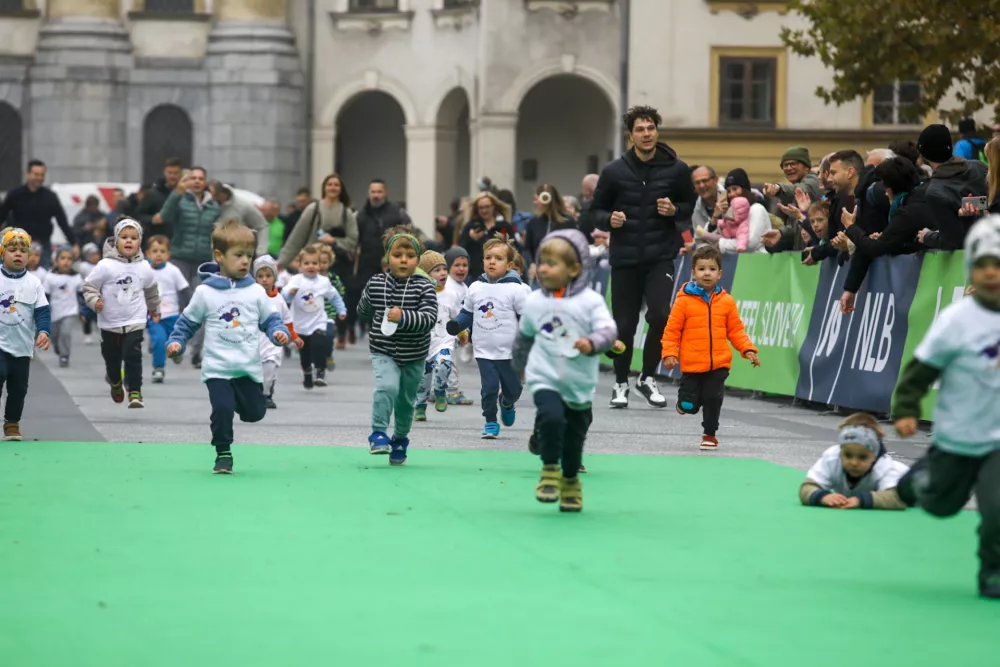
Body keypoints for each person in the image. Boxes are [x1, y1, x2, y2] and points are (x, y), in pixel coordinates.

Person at [891, 215, 1000, 599]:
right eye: (983, 265)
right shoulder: (957, 320)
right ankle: (919, 479)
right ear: (970, 268)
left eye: (999, 265)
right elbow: (921, 370)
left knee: (997, 508)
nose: (992, 274)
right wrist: (906, 408)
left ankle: (993, 571)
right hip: (958, 433)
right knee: (941, 504)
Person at [591, 105, 696, 409]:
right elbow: (594, 212)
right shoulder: (614, 171)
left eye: (651, 128)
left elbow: (689, 205)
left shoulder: (677, 169)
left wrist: (674, 210)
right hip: (625, 258)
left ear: (657, 131)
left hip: (660, 255)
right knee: (624, 325)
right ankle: (621, 382)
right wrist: (609, 220)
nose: (647, 134)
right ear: (630, 135)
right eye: (640, 129)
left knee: (661, 315)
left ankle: (647, 377)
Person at [167, 221, 290, 475]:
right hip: (217, 368)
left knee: (255, 413)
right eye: (239, 255)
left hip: (247, 368)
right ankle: (223, 452)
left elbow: (271, 320)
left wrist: (278, 333)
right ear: (219, 256)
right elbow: (188, 322)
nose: (245, 261)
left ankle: (238, 401)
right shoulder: (205, 292)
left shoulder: (256, 291)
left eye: (249, 255)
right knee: (221, 409)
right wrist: (177, 342)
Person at [513, 229, 617, 512]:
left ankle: (570, 481)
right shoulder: (535, 301)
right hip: (544, 375)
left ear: (574, 269)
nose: (543, 269)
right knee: (550, 417)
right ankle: (549, 469)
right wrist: (520, 367)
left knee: (573, 438)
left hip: (578, 381)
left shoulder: (590, 302)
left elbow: (608, 330)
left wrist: (592, 342)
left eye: (552, 263)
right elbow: (524, 337)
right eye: (541, 262)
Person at [661, 245, 759, 450]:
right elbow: (672, 331)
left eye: (712, 269)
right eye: (702, 269)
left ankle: (710, 434)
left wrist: (748, 349)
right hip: (692, 363)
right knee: (689, 405)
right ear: (693, 272)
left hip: (719, 363)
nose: (707, 273)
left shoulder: (727, 302)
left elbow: (736, 330)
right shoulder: (683, 301)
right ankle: (684, 403)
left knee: (713, 398)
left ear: (720, 274)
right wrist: (669, 353)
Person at [357, 227, 439, 466]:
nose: (403, 260)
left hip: (414, 354)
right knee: (387, 386)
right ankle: (378, 433)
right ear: (387, 257)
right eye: (397, 255)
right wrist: (369, 305)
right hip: (383, 349)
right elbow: (363, 311)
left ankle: (401, 438)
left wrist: (403, 317)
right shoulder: (376, 283)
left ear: (418, 259)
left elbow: (429, 319)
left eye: (410, 256)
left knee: (405, 401)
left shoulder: (425, 286)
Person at [446, 238, 527, 439]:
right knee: (489, 388)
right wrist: (457, 324)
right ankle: (490, 420)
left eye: (498, 258)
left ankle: (507, 402)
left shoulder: (517, 290)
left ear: (509, 265)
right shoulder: (475, 287)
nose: (492, 262)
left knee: (514, 389)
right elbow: (467, 313)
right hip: (484, 350)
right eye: (488, 257)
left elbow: (526, 319)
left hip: (510, 352)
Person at [839, 157, 935, 314]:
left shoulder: (907, 212)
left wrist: (850, 227)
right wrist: (887, 239)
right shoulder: (919, 198)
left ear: (889, 189)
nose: (884, 192)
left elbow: (875, 248)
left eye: (884, 186)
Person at [82, 219, 161, 409]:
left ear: (139, 242)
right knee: (112, 360)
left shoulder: (144, 267)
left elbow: (151, 290)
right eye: (124, 237)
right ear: (116, 240)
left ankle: (135, 391)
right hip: (109, 322)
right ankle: (116, 382)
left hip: (135, 319)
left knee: (133, 355)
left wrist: (154, 309)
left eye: (134, 238)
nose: (129, 241)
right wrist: (95, 301)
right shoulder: (105, 265)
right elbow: (89, 287)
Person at [279, 174, 359, 348]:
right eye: (329, 184)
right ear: (324, 187)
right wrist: (282, 262)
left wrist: (334, 241)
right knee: (310, 298)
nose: (333, 187)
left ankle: (339, 333)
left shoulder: (346, 213)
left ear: (341, 189)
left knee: (338, 296)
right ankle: (309, 334)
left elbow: (353, 240)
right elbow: (297, 237)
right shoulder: (313, 209)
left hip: (338, 263)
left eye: (336, 185)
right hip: (312, 263)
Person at [158, 167, 221, 369]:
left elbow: (218, 232)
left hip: (202, 260)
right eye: (193, 178)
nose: (196, 181)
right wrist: (176, 193)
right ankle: (175, 343)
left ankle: (196, 351)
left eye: (200, 178)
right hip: (180, 258)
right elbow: (164, 216)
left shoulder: (213, 206)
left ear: (205, 182)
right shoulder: (180, 200)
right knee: (178, 303)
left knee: (202, 304)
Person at [0, 228, 51, 441]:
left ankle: (12, 423)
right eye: (12, 250)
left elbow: (42, 311)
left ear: (29, 256)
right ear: (2, 253)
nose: (18, 254)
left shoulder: (34, 282)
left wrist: (44, 331)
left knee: (19, 389)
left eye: (23, 251)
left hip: (21, 347)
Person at [799, 413, 909, 510]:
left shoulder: (885, 466)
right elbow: (807, 487)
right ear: (841, 450)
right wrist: (822, 497)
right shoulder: (832, 458)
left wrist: (861, 500)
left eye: (862, 457)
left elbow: (898, 498)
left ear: (874, 456)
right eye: (848, 455)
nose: (854, 463)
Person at [914, 123, 988, 250]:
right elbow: (989, 202)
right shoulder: (979, 167)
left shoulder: (935, 192)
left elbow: (952, 241)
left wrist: (928, 236)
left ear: (923, 154)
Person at [281, 245, 346, 389]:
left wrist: (341, 310)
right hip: (300, 325)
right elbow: (283, 296)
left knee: (319, 344)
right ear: (300, 265)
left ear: (319, 265)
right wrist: (290, 294)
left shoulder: (323, 281)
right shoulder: (296, 280)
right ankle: (307, 373)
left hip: (318, 321)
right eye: (307, 263)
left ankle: (320, 371)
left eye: (315, 263)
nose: (311, 266)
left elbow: (334, 296)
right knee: (304, 353)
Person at [0, 160, 76, 268]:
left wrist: (74, 243)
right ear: (28, 174)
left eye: (42, 175)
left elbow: (62, 221)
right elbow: (2, 216)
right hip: (19, 245)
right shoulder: (15, 195)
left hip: (43, 244)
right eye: (36, 174)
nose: (39, 178)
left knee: (43, 274)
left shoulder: (50, 196)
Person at [413, 251, 460, 422]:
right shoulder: (419, 293)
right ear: (426, 274)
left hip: (444, 340)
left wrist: (462, 332)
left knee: (444, 364)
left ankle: (440, 390)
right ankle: (420, 406)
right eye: (437, 270)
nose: (443, 273)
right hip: (424, 343)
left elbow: (457, 316)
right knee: (423, 380)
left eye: (444, 269)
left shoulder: (451, 294)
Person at [252, 255, 301, 409]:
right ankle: (254, 396)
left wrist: (294, 337)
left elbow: (287, 320)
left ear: (275, 277)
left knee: (269, 372)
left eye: (268, 276)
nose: (264, 280)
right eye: (260, 276)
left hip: (273, 345)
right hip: (253, 344)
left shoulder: (279, 299)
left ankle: (267, 395)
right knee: (253, 375)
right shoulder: (250, 297)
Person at [145, 235, 190, 383]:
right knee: (159, 339)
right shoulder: (145, 271)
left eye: (162, 251)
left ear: (168, 255)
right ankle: (158, 368)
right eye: (155, 251)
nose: (158, 254)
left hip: (172, 315)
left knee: (176, 341)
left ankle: (177, 353)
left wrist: (189, 308)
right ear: (148, 254)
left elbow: (184, 290)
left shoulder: (173, 271)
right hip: (154, 316)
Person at [523, 184, 588, 283]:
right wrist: (532, 264)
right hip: (539, 276)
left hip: (562, 276)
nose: (534, 202)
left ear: (546, 199)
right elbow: (527, 248)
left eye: (536, 199)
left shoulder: (568, 222)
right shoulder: (533, 222)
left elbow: (575, 248)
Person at [457, 192, 516, 282]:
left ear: (493, 206)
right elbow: (461, 249)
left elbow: (514, 249)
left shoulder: (504, 226)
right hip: (476, 275)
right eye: (481, 208)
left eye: (487, 207)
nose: (484, 210)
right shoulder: (471, 226)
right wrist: (471, 239)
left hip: (500, 275)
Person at [443, 245, 474, 405]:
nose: (461, 269)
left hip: (453, 332)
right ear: (448, 266)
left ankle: (437, 390)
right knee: (450, 361)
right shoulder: (448, 286)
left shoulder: (463, 287)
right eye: (457, 265)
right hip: (445, 332)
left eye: (465, 265)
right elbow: (452, 312)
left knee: (441, 362)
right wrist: (461, 332)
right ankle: (452, 391)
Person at [42, 246, 82, 368]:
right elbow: (45, 295)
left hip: (70, 311)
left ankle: (64, 355)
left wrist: (84, 310)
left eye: (69, 259)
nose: (66, 261)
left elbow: (81, 295)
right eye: (63, 258)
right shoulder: (50, 277)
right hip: (54, 312)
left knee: (65, 333)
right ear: (56, 260)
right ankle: (58, 347)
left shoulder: (76, 277)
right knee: (54, 336)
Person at [209, 182, 270, 258]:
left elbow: (262, 225)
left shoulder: (242, 205)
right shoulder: (208, 205)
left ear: (221, 194)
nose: (210, 198)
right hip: (210, 253)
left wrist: (261, 251)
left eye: (212, 196)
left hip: (237, 252)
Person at [134, 157, 183, 241]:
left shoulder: (187, 195)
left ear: (181, 173)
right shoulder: (152, 194)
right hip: (158, 242)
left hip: (181, 242)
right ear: (164, 172)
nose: (172, 176)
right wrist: (152, 219)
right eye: (169, 172)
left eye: (175, 173)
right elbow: (137, 216)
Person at [315, 244, 347, 370]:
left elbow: (341, 291)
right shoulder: (309, 279)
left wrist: (340, 308)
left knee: (328, 336)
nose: (321, 265)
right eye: (319, 262)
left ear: (330, 263)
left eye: (325, 262)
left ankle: (328, 355)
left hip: (329, 313)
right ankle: (315, 362)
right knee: (315, 340)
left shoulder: (333, 278)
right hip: (313, 315)